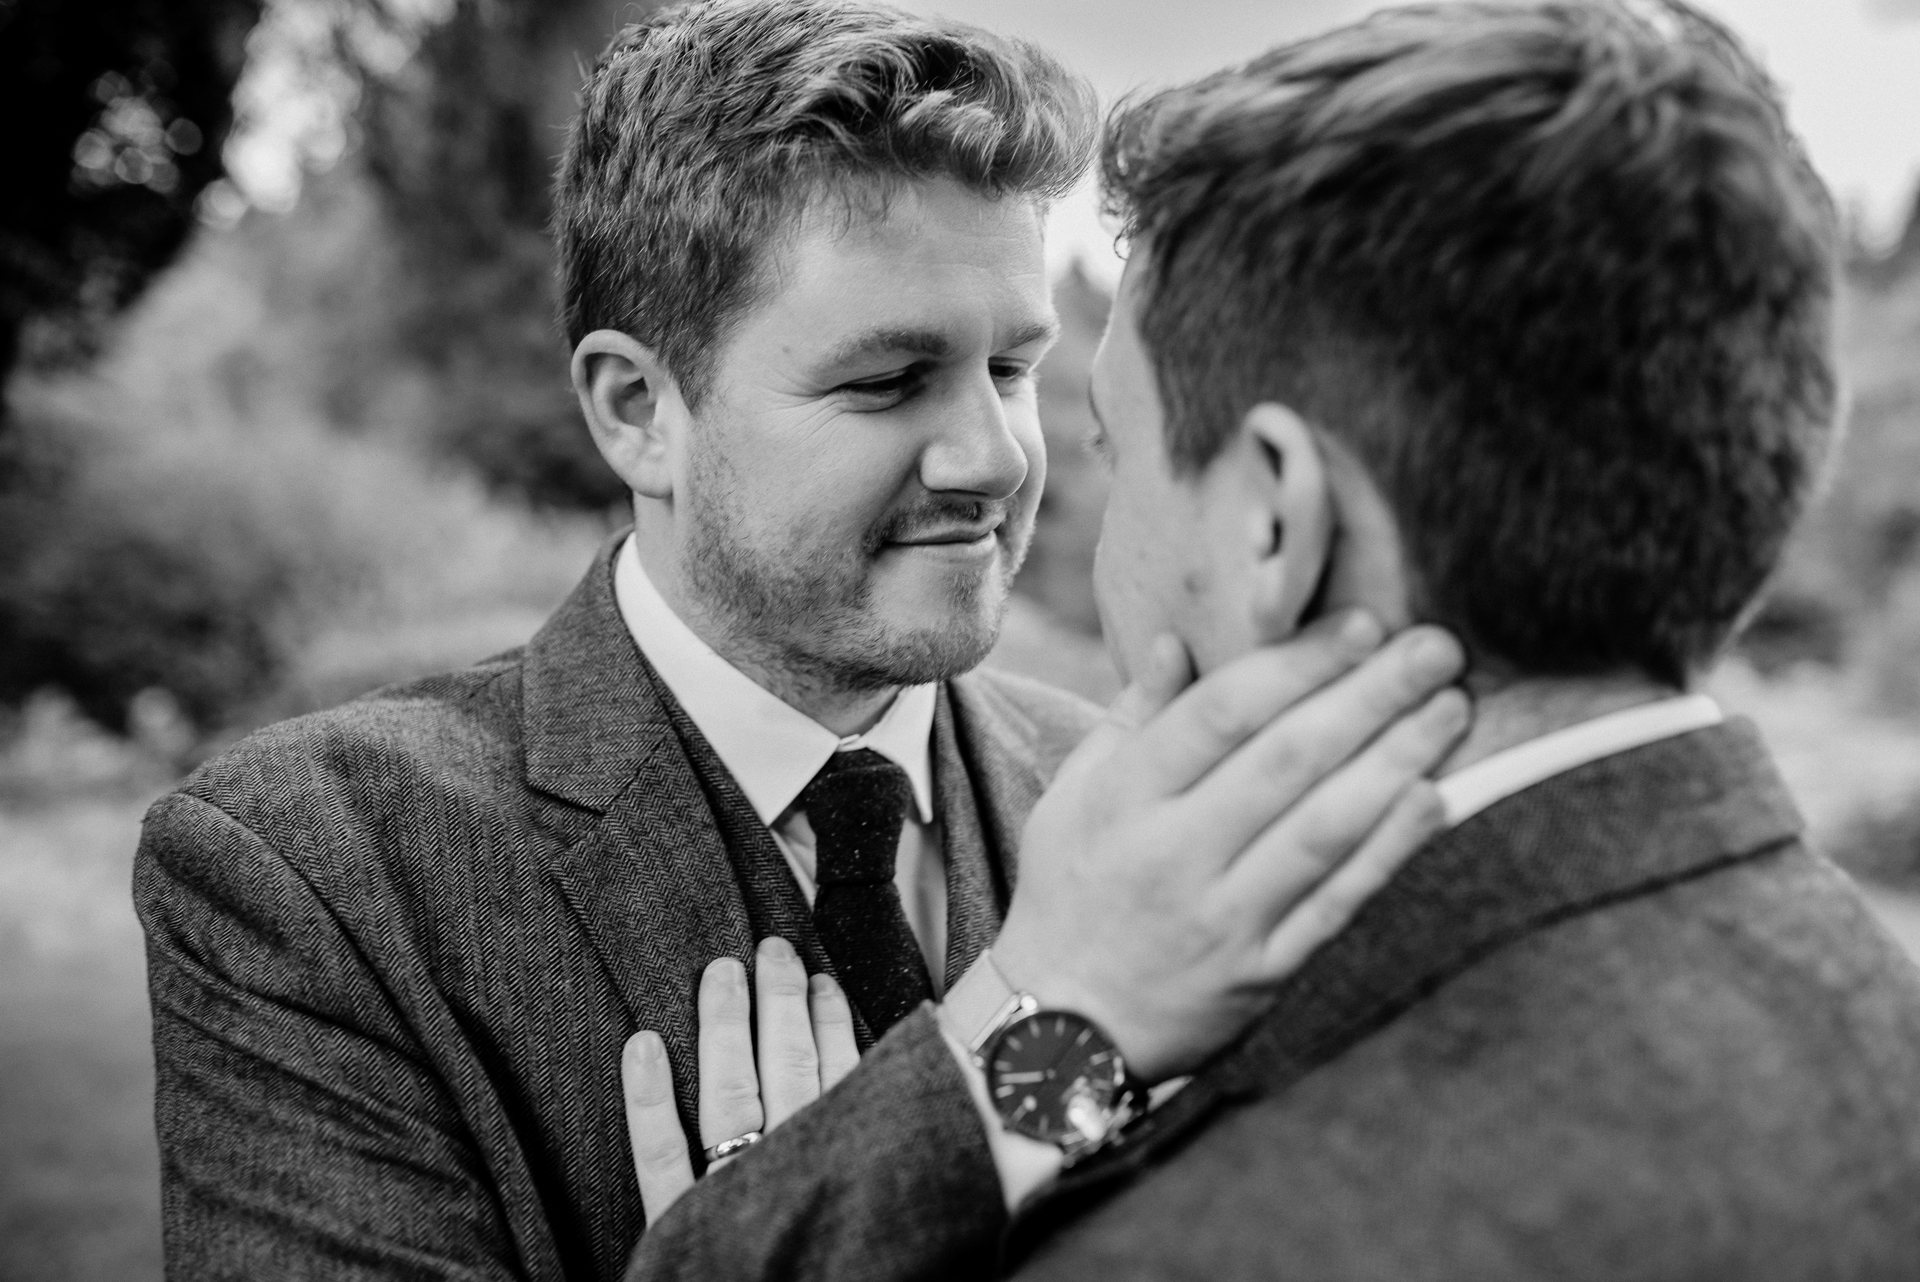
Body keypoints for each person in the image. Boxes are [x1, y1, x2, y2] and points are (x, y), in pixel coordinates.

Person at [132, 1, 1470, 1277]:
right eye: (889, 380)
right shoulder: (313, 871)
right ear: (637, 409)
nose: (995, 456)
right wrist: (1042, 1031)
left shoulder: (1148, 803)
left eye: (1013, 365)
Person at [616, 1, 1920, 1278]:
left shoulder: (1208, 1239)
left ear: (1273, 522)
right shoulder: (1872, 1008)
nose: (1008, 466)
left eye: (1109, 446)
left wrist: (777, 1228)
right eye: (891, 379)